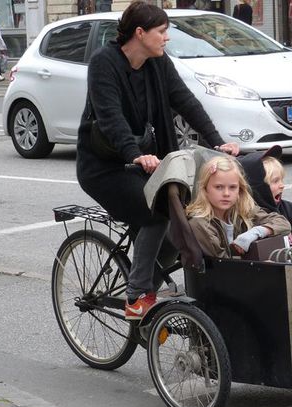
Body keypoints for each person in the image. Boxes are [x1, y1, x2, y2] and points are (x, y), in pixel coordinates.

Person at [75, 2, 239, 320]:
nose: (167, 38)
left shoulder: (158, 63)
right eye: (162, 32)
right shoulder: (103, 63)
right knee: (156, 210)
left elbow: (186, 101)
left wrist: (216, 141)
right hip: (105, 168)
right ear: (140, 33)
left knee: (185, 213)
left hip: (149, 161)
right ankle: (137, 295)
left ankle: (147, 277)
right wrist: (134, 154)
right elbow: (110, 119)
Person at [187, 156, 291, 259]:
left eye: (232, 187)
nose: (226, 193)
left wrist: (256, 232)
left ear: (239, 190)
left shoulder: (243, 209)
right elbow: (224, 264)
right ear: (205, 189)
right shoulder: (200, 223)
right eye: (219, 187)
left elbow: (283, 224)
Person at [238, 146, 292, 243]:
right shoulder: (243, 216)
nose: (282, 185)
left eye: (281, 179)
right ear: (257, 186)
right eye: (275, 181)